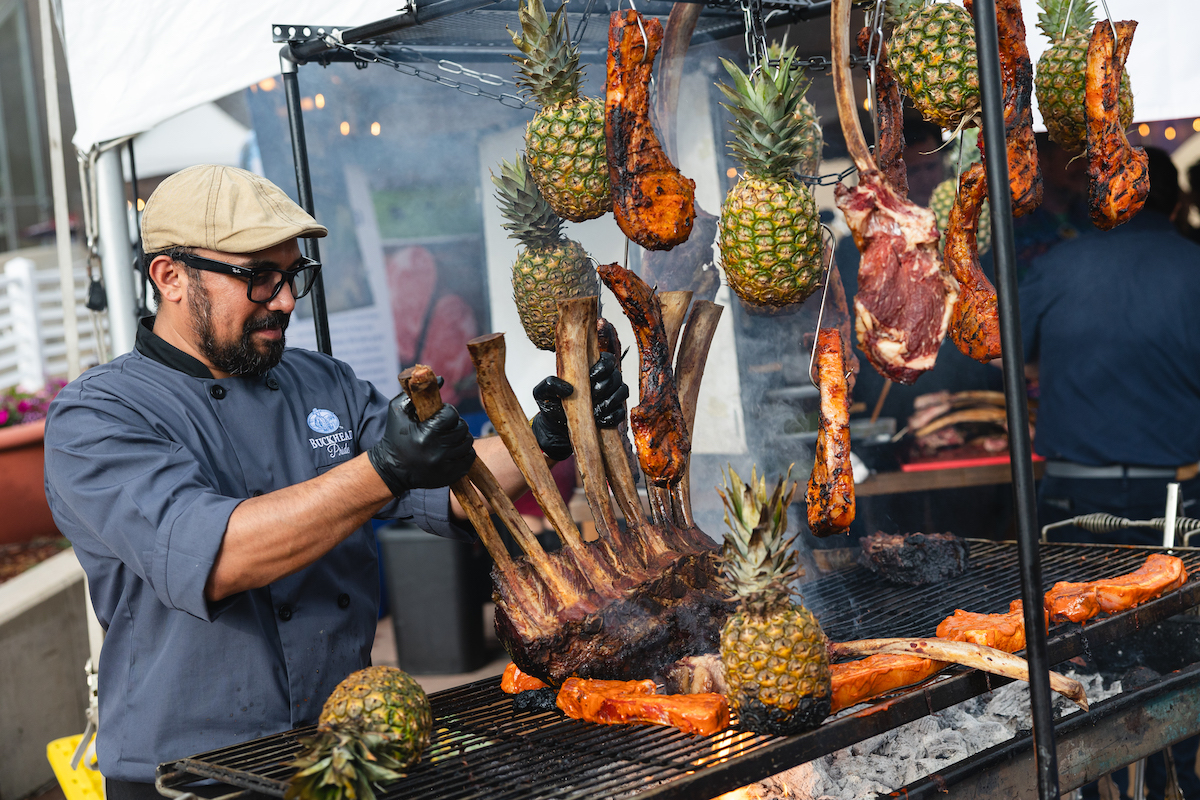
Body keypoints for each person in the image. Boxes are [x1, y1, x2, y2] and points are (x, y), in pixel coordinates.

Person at [42, 165, 628, 798]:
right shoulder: (97, 417)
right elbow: (219, 556)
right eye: (257, 277)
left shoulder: (321, 383)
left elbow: (447, 478)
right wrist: (385, 469)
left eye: (293, 275)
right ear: (171, 276)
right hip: (190, 776)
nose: (287, 300)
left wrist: (543, 438)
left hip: (345, 749)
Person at [1019, 147, 1200, 800]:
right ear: (1175, 205)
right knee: (1176, 648)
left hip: (1073, 490)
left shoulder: (1057, 265)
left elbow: (1017, 365)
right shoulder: (1195, 266)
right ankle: (1172, 779)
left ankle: (1094, 787)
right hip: (1174, 495)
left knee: (1078, 648)